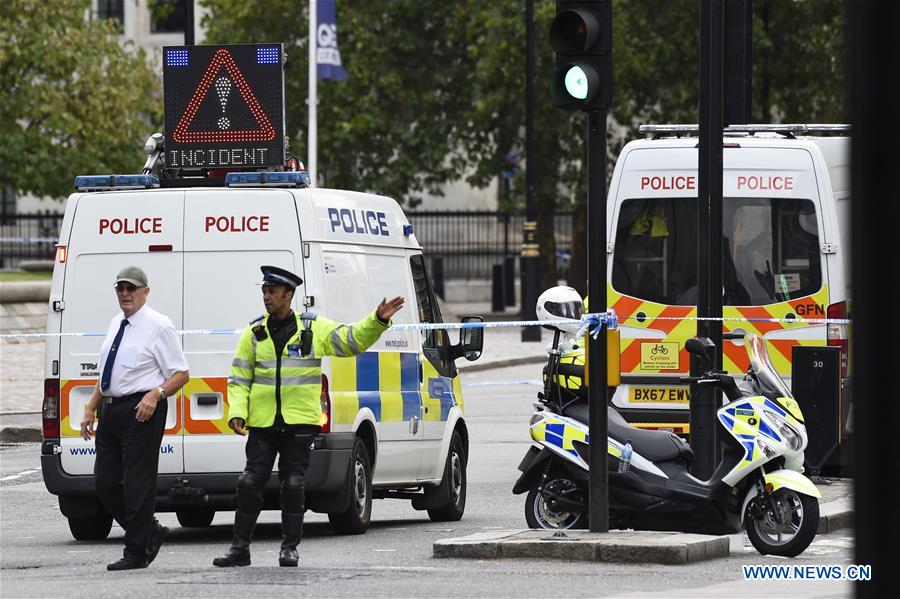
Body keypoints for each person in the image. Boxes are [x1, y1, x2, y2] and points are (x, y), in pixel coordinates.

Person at [213, 265, 404, 568]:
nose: (267, 297)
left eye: (272, 292)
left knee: (293, 483)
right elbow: (238, 378)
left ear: (289, 295)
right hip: (263, 422)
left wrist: (378, 319)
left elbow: (350, 340)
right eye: (264, 291)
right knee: (249, 483)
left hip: (299, 421)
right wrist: (237, 411)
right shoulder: (254, 332)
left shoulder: (313, 329)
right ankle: (240, 549)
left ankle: (289, 549)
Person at [79, 266, 190, 570]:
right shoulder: (117, 322)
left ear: (146, 291)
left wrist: (155, 394)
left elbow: (181, 374)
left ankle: (137, 552)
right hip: (111, 410)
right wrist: (91, 407)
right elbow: (107, 373)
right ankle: (149, 531)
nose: (125, 294)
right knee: (104, 482)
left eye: (131, 288)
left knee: (138, 483)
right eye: (121, 289)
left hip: (142, 410)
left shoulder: (158, 325)